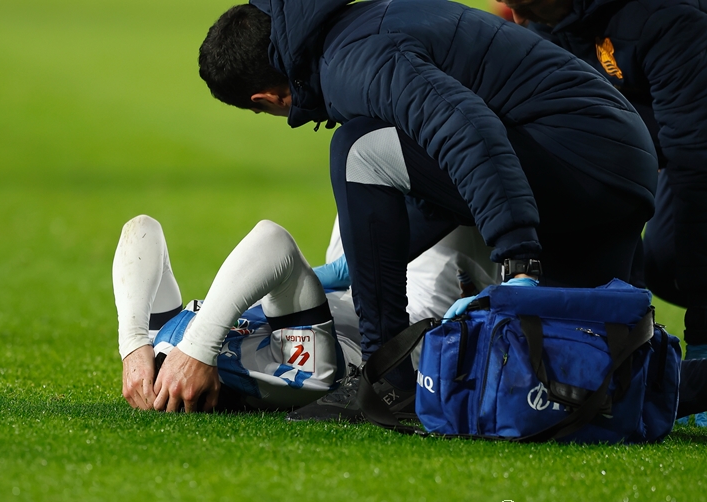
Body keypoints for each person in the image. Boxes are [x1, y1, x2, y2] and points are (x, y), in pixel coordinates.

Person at [197, 0, 659, 418]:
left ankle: (384, 378)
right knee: (611, 378)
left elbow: (468, 131)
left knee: (355, 147)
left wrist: (518, 258)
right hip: (615, 164)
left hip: (581, 162)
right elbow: (447, 173)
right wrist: (352, 267)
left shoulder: (353, 60)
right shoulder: (356, 29)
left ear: (267, 99)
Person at [497, 0, 707, 426]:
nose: (517, 18)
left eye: (524, 5)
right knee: (664, 264)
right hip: (679, 133)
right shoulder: (554, 28)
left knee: (685, 252)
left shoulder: (658, 18)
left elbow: (696, 171)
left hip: (697, 147)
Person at [113, 214, 498, 415]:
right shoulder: (297, 374)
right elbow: (272, 240)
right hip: (416, 307)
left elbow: (142, 230)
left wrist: (134, 346)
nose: (171, 365)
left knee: (369, 150)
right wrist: (199, 348)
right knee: (439, 160)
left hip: (342, 278)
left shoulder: (163, 352)